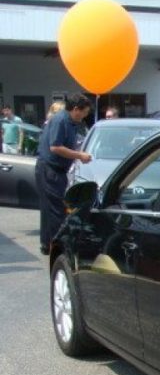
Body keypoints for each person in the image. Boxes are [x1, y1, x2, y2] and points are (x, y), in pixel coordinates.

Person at [36, 93, 92, 255]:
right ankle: (56, 247)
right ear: (76, 109)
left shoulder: (70, 122)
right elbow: (56, 147)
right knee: (55, 210)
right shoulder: (61, 120)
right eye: (84, 112)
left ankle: (48, 244)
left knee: (50, 209)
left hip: (55, 170)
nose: (85, 116)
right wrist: (79, 156)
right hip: (50, 169)